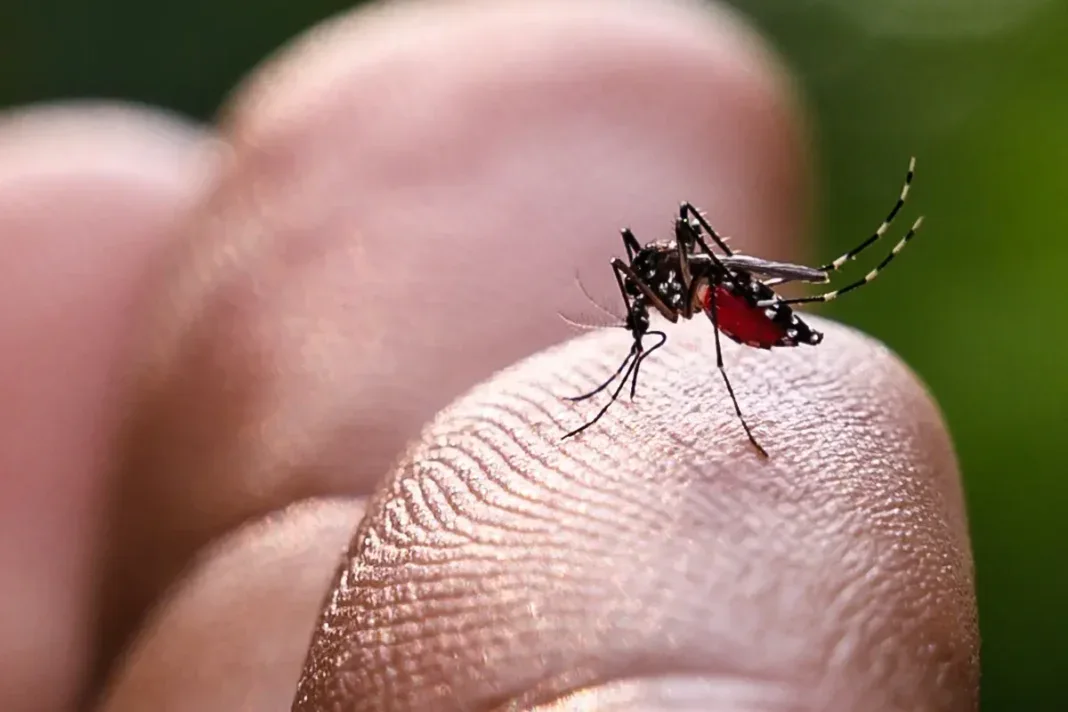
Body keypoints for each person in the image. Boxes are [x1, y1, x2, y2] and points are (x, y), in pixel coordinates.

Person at [0, 0, 977, 709]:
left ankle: (823, 276)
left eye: (646, 291)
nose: (637, 289)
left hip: (739, 304)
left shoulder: (688, 279)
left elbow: (681, 285)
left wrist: (717, 313)